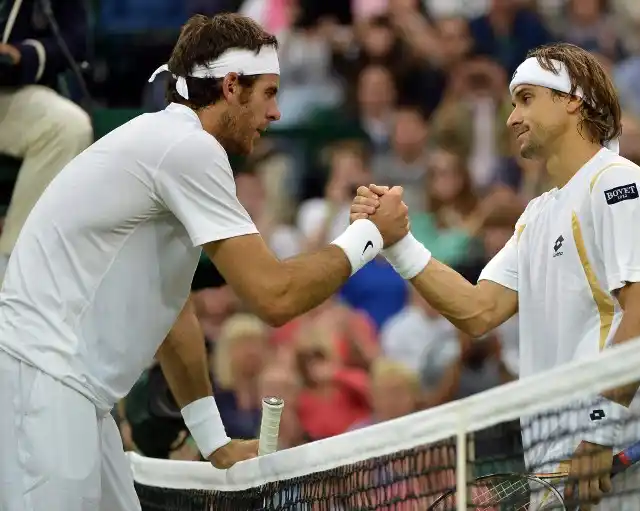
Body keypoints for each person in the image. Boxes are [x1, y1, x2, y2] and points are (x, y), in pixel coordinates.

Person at [0, 13, 407, 511]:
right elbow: (274, 297)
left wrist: (215, 443)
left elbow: (173, 314)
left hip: (68, 392)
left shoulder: (170, 142)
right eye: (269, 94)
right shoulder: (187, 150)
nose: (276, 112)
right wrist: (370, 236)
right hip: (41, 385)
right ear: (232, 87)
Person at [352, 42, 640, 510]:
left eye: (525, 99)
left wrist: (600, 431)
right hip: (557, 461)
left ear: (572, 101)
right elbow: (477, 311)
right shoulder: (537, 214)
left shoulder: (618, 184)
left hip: (613, 450)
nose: (511, 118)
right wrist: (397, 241)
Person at [0, 0, 93, 280]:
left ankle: (15, 271)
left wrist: (23, 54)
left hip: (10, 91)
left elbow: (74, 42)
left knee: (67, 126)